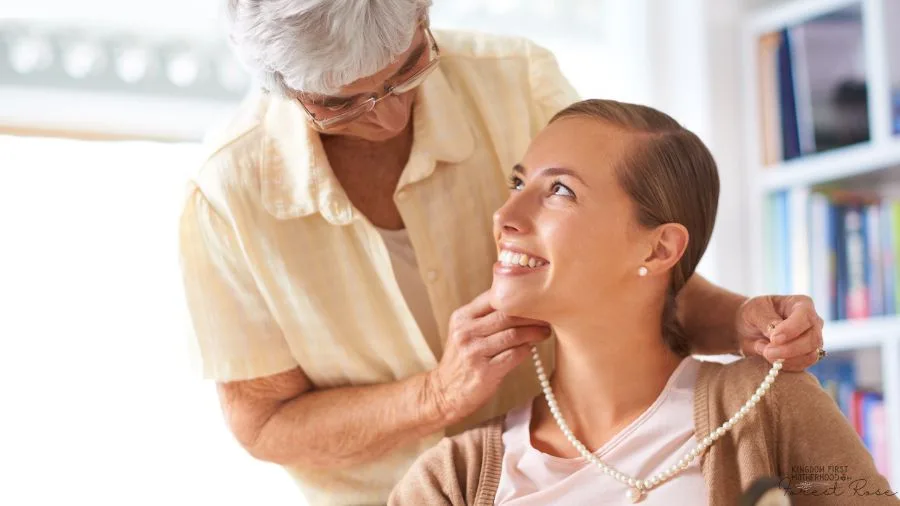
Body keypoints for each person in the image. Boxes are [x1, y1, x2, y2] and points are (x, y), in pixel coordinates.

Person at [177, 1, 826, 505]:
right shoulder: (227, 196)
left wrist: (740, 321)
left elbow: (626, 267)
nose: (389, 118)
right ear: (281, 87)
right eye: (341, 102)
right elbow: (264, 425)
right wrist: (435, 396)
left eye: (407, 69)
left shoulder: (515, 81)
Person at [388, 99, 897, 505]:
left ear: (658, 249)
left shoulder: (769, 406)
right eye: (519, 183)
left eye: (560, 190)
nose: (506, 215)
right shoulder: (453, 478)